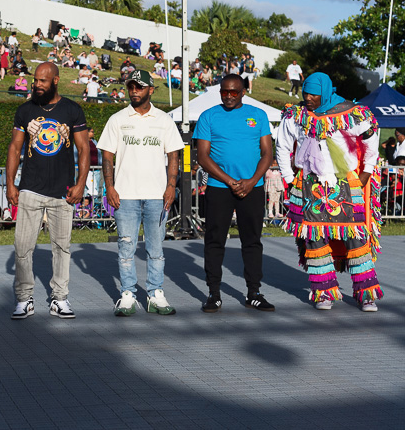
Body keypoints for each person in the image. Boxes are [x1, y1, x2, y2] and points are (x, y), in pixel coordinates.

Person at [276, 72, 383, 312]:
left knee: (356, 238)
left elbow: (370, 139)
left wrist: (366, 171)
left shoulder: (352, 113)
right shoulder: (295, 116)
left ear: (325, 91)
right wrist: (289, 177)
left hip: (345, 182)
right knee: (314, 240)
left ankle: (366, 293)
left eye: (314, 93)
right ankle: (324, 293)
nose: (308, 98)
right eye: (305, 93)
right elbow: (282, 147)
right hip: (309, 185)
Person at [6, 62, 90, 320]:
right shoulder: (25, 110)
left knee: (62, 248)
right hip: (30, 188)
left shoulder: (72, 110)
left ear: (55, 80)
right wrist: (10, 183)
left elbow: (84, 149)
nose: (37, 85)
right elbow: (14, 148)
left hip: (62, 192)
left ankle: (60, 298)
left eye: (43, 81)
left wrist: (80, 184)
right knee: (23, 247)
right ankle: (23, 299)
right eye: (35, 80)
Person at [99, 70, 184, 316]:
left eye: (139, 87)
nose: (134, 91)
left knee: (156, 249)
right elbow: (107, 155)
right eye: (131, 87)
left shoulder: (164, 120)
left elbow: (174, 155)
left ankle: (155, 294)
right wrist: (110, 186)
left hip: (157, 195)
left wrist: (171, 186)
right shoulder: (117, 119)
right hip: (125, 195)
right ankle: (127, 295)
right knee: (126, 247)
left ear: (150, 90)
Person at [193, 74, 274, 313]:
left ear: (243, 92)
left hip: (253, 189)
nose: (228, 96)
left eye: (234, 92)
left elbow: (267, 154)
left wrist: (251, 182)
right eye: (224, 92)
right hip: (220, 189)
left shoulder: (258, 115)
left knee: (252, 241)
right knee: (215, 240)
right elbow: (203, 156)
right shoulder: (208, 116)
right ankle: (214, 293)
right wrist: (230, 181)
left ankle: (254, 293)